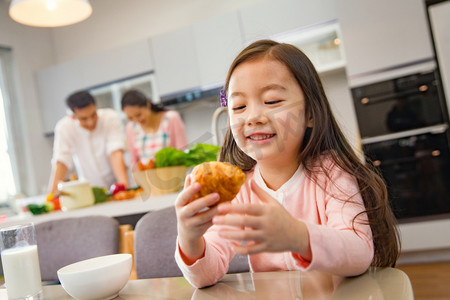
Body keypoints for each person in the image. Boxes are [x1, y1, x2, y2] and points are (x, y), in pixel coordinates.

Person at [174, 40, 400, 288]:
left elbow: (359, 253)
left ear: (311, 113)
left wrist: (297, 236)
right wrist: (190, 237)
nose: (253, 117)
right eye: (239, 106)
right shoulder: (238, 190)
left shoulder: (332, 173)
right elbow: (205, 276)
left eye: (272, 101)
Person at [48, 90, 129, 194]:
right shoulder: (64, 128)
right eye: (83, 119)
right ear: (72, 117)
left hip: (116, 184)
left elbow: (115, 152)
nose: (90, 122)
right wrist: (52, 195)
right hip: (90, 190)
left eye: (93, 115)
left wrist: (124, 186)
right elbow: (62, 161)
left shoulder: (110, 118)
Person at [121, 90, 187, 169]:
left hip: (172, 177)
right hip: (146, 180)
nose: (136, 120)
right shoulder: (130, 127)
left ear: (148, 104)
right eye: (130, 118)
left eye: (138, 115)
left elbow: (183, 154)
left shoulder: (171, 118)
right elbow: (134, 162)